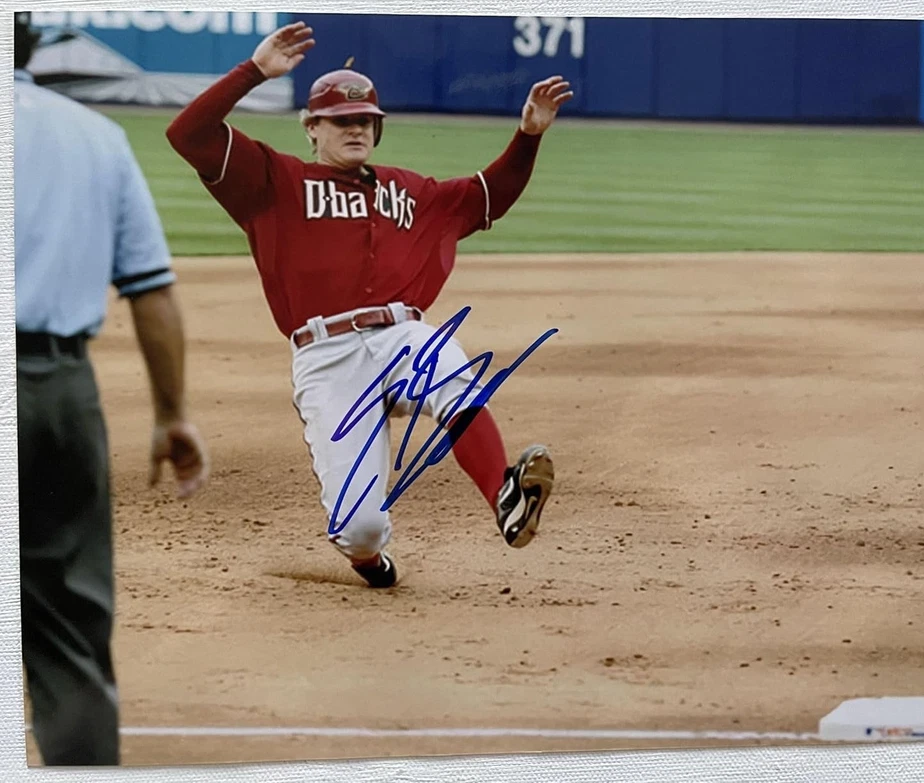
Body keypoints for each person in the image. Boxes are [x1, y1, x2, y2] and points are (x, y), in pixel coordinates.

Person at [166, 21, 570, 589]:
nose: (356, 128)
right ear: (312, 128)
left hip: (397, 337)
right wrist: (253, 72)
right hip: (326, 360)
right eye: (341, 120)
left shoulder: (411, 191)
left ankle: (504, 496)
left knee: (445, 363)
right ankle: (369, 561)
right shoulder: (272, 183)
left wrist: (528, 136)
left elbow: (487, 195)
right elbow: (188, 134)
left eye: (365, 121)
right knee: (358, 528)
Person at [14, 12, 210, 766]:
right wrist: (171, 414)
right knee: (69, 627)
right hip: (59, 391)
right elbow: (152, 290)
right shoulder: (95, 136)